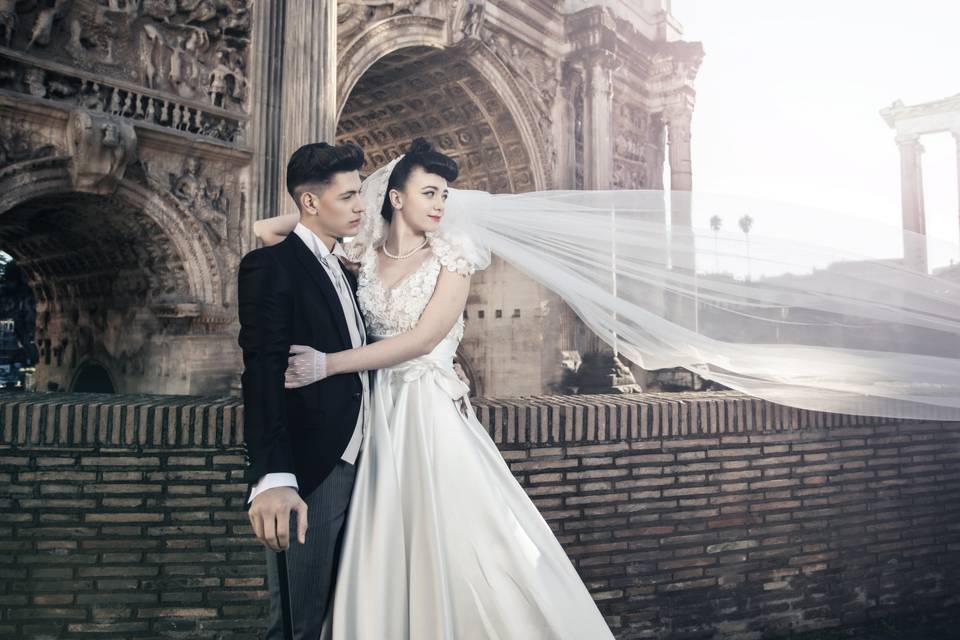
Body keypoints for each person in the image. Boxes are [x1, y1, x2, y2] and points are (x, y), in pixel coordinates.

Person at [255, 138, 615, 639]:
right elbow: (266, 230)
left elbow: (423, 339)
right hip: (374, 414)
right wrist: (323, 206)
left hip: (428, 414)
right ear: (396, 197)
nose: (442, 206)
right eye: (429, 193)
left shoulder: (454, 256)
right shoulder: (362, 254)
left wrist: (328, 365)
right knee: (380, 538)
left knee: (456, 540)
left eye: (445, 195)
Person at [238, 141, 369, 639]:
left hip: (365, 460)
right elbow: (263, 372)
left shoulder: (344, 272)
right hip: (313, 469)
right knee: (298, 621)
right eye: (349, 196)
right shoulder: (270, 266)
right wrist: (273, 477)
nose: (361, 206)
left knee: (339, 612)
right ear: (310, 203)